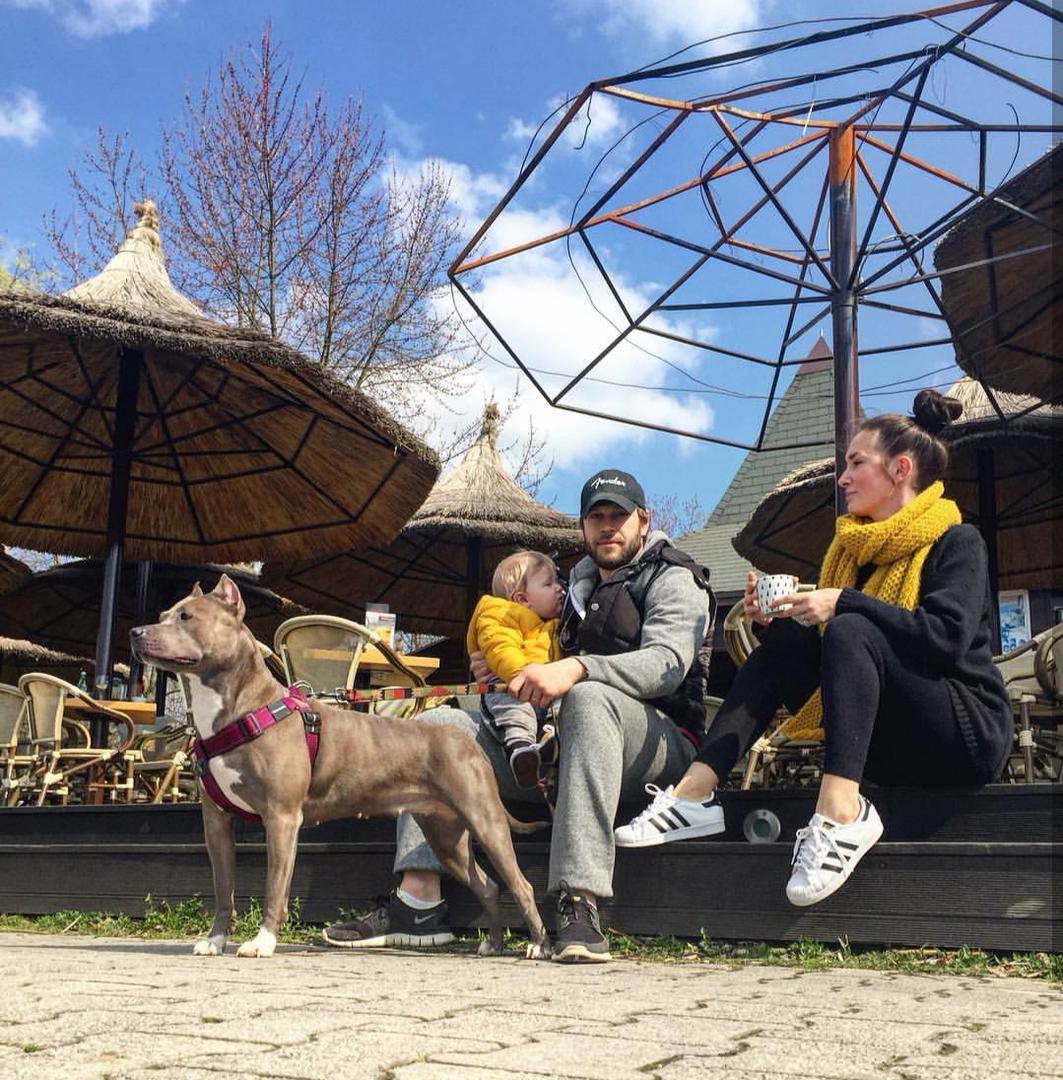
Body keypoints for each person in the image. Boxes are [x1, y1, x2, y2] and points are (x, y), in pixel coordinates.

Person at [614, 389, 1013, 909]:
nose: (842, 477)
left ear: (900, 469)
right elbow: (836, 660)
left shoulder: (958, 542)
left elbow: (946, 638)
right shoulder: (849, 554)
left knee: (849, 628)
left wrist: (843, 601)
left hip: (964, 735)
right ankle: (694, 795)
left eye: (856, 463)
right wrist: (774, 622)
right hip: (891, 745)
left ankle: (841, 813)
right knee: (783, 650)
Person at [323, 468, 714, 962]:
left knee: (589, 698)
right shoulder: (570, 588)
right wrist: (497, 671)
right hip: (552, 745)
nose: (607, 526)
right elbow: (529, 654)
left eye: (619, 516)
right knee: (435, 728)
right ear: (583, 526)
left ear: (644, 519)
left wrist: (576, 668)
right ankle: (418, 901)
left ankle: (578, 900)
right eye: (596, 517)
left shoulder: (674, 576)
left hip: (658, 747)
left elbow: (667, 665)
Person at [466, 550, 564, 788]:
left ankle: (550, 736)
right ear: (522, 599)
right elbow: (499, 647)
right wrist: (523, 674)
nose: (560, 588)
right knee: (510, 706)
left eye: (558, 582)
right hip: (512, 683)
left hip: (546, 691)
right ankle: (520, 749)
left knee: (566, 697)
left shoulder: (553, 624)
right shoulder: (500, 613)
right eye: (549, 584)